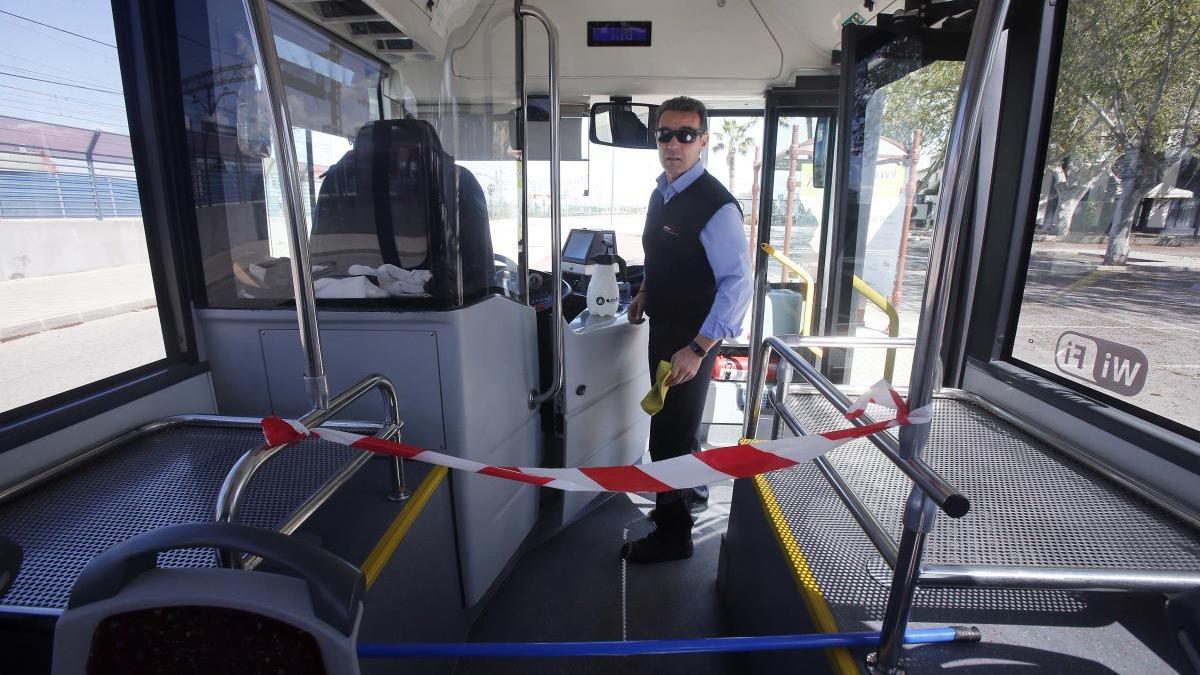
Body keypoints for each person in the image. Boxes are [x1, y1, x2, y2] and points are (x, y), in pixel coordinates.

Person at [621, 96, 752, 564]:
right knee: (677, 426)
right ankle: (688, 500)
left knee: (670, 437)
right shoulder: (664, 193)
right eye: (665, 134)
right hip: (665, 326)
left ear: (703, 141)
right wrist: (643, 293)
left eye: (685, 135)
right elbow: (662, 255)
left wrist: (697, 348)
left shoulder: (715, 206)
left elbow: (737, 285)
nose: (673, 144)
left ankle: (673, 538)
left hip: (690, 340)